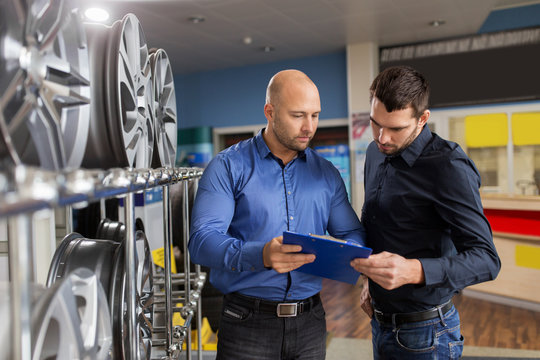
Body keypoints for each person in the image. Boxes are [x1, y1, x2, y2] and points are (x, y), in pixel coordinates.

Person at [188, 69, 365, 360]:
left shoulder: (327, 174)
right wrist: (262, 255)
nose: (309, 126)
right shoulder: (227, 167)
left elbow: (352, 233)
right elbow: (202, 241)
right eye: (298, 115)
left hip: (311, 322)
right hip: (247, 323)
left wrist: (346, 253)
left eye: (315, 115)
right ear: (270, 112)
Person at [350, 65, 501, 360]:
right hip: (379, 325)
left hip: (428, 334)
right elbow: (381, 228)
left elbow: (487, 260)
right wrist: (371, 281)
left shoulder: (449, 166)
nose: (382, 138)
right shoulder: (373, 153)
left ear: (423, 119)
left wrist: (413, 270)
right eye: (375, 124)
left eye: (396, 129)